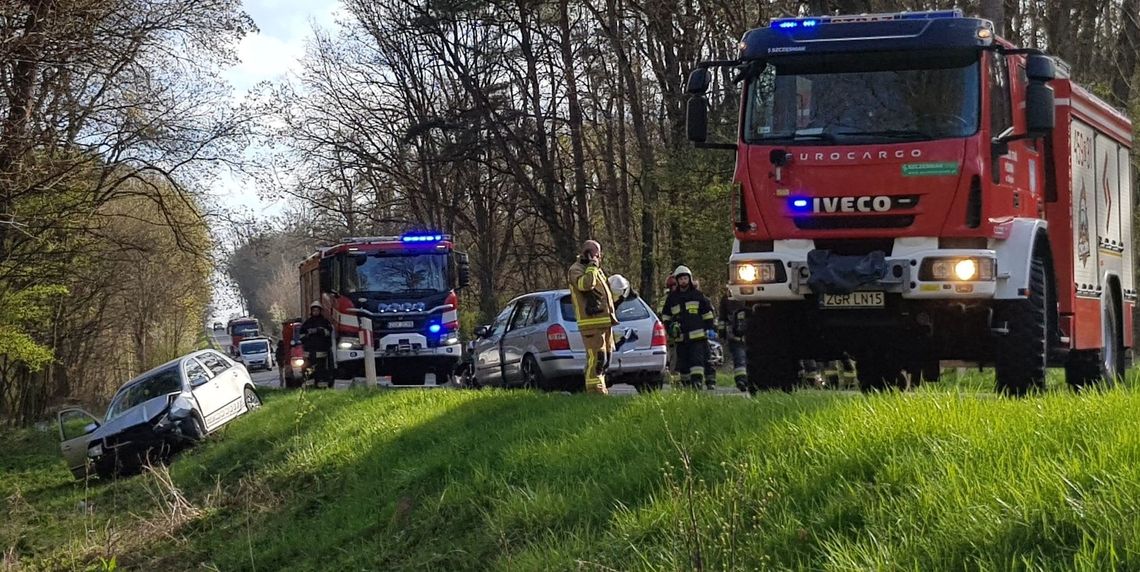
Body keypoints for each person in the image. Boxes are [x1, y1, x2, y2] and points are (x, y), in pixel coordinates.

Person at [567, 240, 618, 395]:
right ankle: (594, 391)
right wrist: (592, 266)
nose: (599, 257)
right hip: (591, 324)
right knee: (596, 359)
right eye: (597, 254)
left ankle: (600, 389)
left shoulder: (596, 270)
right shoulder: (576, 270)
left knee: (605, 359)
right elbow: (586, 285)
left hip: (604, 322)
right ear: (588, 254)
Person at [660, 266, 715, 389]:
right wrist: (669, 328)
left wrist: (710, 328)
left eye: (685, 278)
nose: (683, 281)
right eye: (681, 279)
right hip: (680, 338)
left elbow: (707, 313)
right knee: (683, 364)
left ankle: (697, 383)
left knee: (697, 361)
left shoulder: (698, 295)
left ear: (690, 279)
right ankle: (686, 385)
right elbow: (666, 315)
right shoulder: (672, 298)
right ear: (677, 281)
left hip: (697, 337)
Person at [718, 288, 749, 392]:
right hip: (734, 335)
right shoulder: (726, 298)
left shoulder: (755, 294)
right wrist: (722, 332)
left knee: (746, 358)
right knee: (739, 358)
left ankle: (748, 380)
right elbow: (722, 316)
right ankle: (741, 380)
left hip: (750, 334)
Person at [299, 301, 334, 389]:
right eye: (314, 310)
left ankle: (321, 385)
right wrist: (307, 336)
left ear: (320, 311)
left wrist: (319, 330)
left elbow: (329, 333)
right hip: (309, 352)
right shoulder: (307, 323)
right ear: (311, 311)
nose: (315, 312)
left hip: (321, 352)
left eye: (317, 310)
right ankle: (309, 385)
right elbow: (301, 336)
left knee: (321, 369)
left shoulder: (324, 322)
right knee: (308, 368)